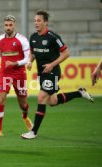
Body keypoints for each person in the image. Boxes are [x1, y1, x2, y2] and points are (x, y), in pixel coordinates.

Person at [21, 9, 94, 139]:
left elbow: (66, 53)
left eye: (39, 21)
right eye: (35, 21)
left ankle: (33, 132)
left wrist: (51, 65)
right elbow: (32, 53)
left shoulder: (53, 37)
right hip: (42, 74)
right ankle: (80, 93)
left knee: (41, 97)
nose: (36, 23)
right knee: (53, 101)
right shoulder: (33, 37)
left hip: (53, 72)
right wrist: (30, 61)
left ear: (45, 22)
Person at [0, 15, 33, 138]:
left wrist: (15, 63)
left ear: (14, 25)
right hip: (5, 73)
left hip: (19, 74)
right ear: (4, 26)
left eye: (10, 25)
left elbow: (28, 58)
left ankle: (24, 116)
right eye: (6, 25)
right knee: (0, 98)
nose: (8, 27)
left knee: (23, 103)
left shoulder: (22, 40)